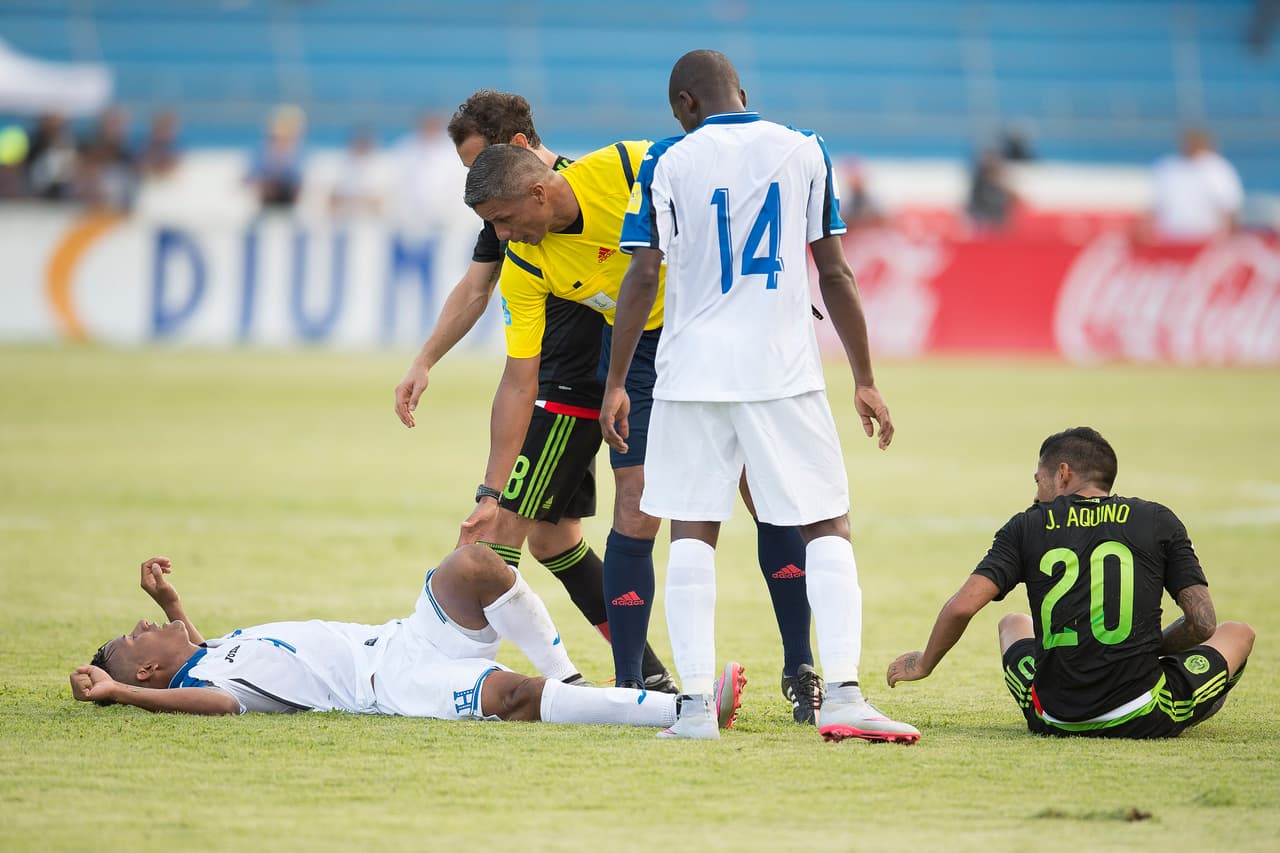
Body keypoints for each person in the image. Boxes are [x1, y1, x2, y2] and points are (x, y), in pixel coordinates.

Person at [601, 49, 919, 743]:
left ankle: (691, 709)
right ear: (742, 91)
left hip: (689, 373)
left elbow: (643, 275)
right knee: (827, 521)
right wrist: (864, 377)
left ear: (685, 104)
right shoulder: (806, 150)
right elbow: (833, 273)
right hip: (783, 372)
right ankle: (839, 694)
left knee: (691, 527)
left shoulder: (666, 160)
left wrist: (619, 379)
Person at [463, 137, 821, 724]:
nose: (502, 236)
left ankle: (800, 669)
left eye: (503, 220)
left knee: (764, 494)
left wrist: (772, 288)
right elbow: (518, 381)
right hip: (642, 356)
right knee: (637, 502)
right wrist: (490, 491)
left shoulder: (631, 165)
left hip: (721, 330)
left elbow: (724, 189)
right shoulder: (526, 263)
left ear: (537, 191)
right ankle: (631, 681)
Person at [392, 90, 679, 695]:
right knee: (556, 539)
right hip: (560, 383)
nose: (476, 185)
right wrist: (425, 359)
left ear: (519, 154)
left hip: (570, 389)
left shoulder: (562, 197)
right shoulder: (509, 216)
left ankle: (473, 674)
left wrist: (490, 488)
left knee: (501, 533)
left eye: (479, 166)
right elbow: (475, 290)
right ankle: (642, 672)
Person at [70, 549, 743, 730]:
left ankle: (571, 679)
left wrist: (172, 603)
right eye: (135, 637)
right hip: (389, 686)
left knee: (472, 563)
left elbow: (198, 647)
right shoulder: (206, 687)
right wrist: (121, 692)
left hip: (398, 636)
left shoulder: (207, 652)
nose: (143, 626)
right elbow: (218, 702)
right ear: (150, 670)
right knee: (511, 696)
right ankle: (685, 711)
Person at [886, 427, 1254, 738]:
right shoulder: (1157, 519)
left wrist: (924, 663)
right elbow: (1202, 623)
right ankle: (1180, 703)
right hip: (1142, 711)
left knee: (1013, 623)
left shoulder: (1027, 524)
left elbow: (963, 605)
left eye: (1038, 481)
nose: (1036, 494)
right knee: (1238, 632)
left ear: (1062, 474)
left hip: (1053, 716)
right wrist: (1147, 648)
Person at [1148, 127, 1244, 242]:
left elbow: (1230, 207)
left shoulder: (1218, 169)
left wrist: (1230, 237)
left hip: (1208, 239)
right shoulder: (1166, 167)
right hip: (1171, 238)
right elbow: (1151, 206)